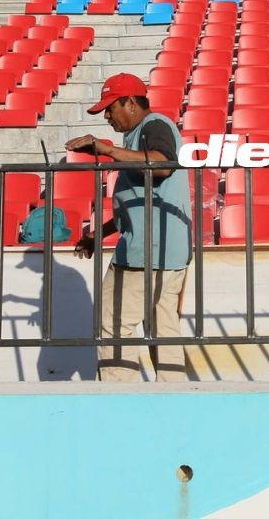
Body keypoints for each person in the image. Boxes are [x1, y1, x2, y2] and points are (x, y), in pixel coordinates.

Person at [65, 73, 193, 382]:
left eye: (110, 108)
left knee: (113, 322)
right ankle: (175, 401)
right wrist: (102, 232)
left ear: (131, 103)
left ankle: (120, 400)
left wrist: (107, 151)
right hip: (167, 250)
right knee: (164, 330)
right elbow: (141, 201)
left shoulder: (154, 126)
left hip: (145, 252)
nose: (107, 116)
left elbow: (162, 165)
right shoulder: (140, 135)